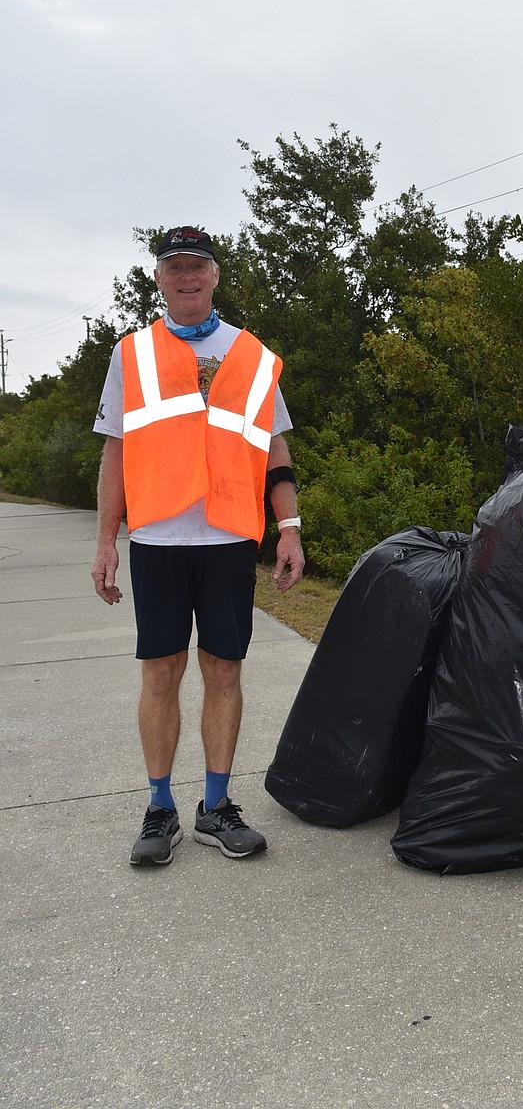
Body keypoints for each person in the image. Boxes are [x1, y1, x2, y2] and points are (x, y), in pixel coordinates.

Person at [91, 226, 304, 867]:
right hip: (156, 536)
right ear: (158, 278)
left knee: (224, 670)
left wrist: (289, 529)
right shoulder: (130, 355)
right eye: (173, 266)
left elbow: (275, 447)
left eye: (198, 266)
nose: (186, 276)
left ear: (215, 275)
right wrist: (106, 539)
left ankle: (216, 807)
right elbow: (116, 451)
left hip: (229, 537)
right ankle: (161, 810)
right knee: (161, 673)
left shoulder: (252, 354)